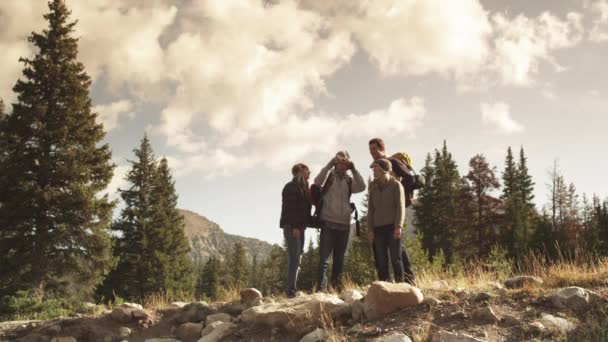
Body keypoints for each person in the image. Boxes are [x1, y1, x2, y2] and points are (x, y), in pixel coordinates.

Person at [314, 151, 365, 291]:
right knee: (324, 260)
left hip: (344, 224)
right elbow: (317, 182)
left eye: (345, 162)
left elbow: (361, 187)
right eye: (339, 162)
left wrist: (354, 169)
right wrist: (330, 163)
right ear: (335, 163)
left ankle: (335, 289)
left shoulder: (349, 180)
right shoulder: (329, 177)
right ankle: (321, 289)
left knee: (339, 260)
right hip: (328, 222)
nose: (342, 165)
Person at [368, 138, 416, 285]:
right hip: (381, 217)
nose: (372, 153)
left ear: (382, 148)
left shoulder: (393, 162)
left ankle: (407, 280)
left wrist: (399, 193)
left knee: (397, 252)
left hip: (395, 213)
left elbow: (410, 178)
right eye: (370, 150)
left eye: (375, 149)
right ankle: (389, 282)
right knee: (395, 250)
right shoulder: (375, 171)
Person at [367, 158, 406, 283]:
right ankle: (384, 289)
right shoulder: (373, 187)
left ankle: (401, 287)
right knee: (381, 261)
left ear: (384, 169)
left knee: (396, 259)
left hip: (392, 227)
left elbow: (400, 207)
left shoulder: (396, 185)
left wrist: (398, 226)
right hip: (378, 229)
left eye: (375, 167)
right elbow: (371, 210)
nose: (373, 169)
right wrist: (370, 229)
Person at [280, 163, 312, 298]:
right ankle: (290, 292)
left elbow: (304, 211)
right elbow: (290, 208)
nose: (309, 172)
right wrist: (295, 227)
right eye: (307, 170)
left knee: (297, 258)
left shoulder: (303, 187)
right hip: (293, 227)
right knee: (294, 259)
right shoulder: (291, 187)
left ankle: (291, 290)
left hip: (300, 227)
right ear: (299, 171)